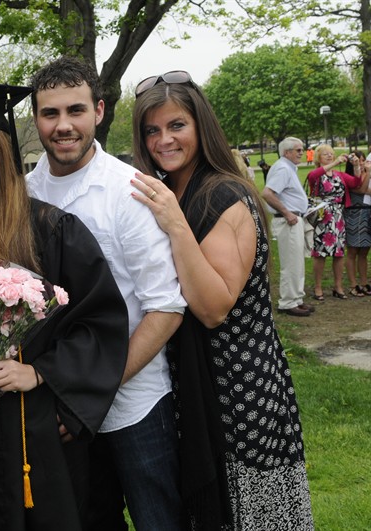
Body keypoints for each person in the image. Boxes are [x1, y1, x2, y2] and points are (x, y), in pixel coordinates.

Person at [0, 82, 129, 531]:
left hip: (37, 424)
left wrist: (39, 373)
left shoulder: (52, 228)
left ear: (3, 148)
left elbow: (99, 320)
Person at [131, 71, 314, 530]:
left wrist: (175, 225)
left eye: (176, 126)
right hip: (193, 382)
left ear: (201, 126)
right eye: (152, 130)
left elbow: (214, 308)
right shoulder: (173, 190)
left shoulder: (225, 195)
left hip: (239, 386)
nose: (163, 140)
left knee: (251, 511)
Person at [25, 57, 186, 531]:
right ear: (36, 119)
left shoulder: (129, 191)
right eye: (50, 113)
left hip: (136, 402)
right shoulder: (25, 193)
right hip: (61, 406)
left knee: (159, 521)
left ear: (98, 111)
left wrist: (93, 387)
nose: (63, 125)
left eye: (75, 110)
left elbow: (166, 308)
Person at [260, 138, 313, 314]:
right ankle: (288, 302)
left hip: (294, 220)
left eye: (301, 149)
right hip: (288, 221)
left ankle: (296, 298)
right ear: (286, 152)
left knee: (297, 262)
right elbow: (267, 193)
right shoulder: (283, 168)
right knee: (291, 263)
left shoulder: (288, 168)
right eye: (297, 150)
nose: (301, 152)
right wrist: (287, 212)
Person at [306, 144, 363, 299]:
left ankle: (338, 286)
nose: (330, 156)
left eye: (331, 153)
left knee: (339, 253)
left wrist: (357, 166)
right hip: (323, 216)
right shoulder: (316, 174)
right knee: (320, 254)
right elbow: (312, 177)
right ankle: (318, 287)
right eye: (326, 154)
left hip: (338, 217)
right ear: (318, 158)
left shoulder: (339, 175)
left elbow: (356, 182)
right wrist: (336, 161)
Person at [344, 151, 371, 295]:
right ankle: (353, 284)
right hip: (354, 215)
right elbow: (361, 189)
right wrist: (369, 173)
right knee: (353, 250)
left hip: (368, 215)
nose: (361, 163)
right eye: (359, 160)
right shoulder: (350, 178)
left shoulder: (366, 174)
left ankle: (364, 282)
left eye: (363, 160)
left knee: (364, 251)